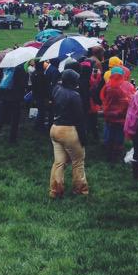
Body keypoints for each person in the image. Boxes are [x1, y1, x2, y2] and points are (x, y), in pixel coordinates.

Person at [49, 69, 89, 198]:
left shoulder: (56, 89)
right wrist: (83, 137)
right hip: (69, 130)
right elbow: (80, 118)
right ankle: (80, 190)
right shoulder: (74, 96)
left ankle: (55, 191)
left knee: (59, 162)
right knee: (78, 162)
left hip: (55, 128)